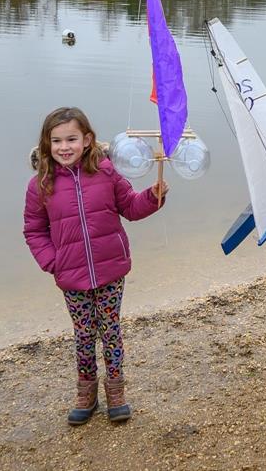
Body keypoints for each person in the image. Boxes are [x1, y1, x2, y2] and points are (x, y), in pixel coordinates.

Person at [23, 107, 168, 425]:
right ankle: (86, 394)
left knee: (111, 331)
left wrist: (152, 196)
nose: (65, 147)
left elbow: (130, 206)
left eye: (72, 139)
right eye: (57, 141)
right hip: (70, 276)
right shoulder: (40, 186)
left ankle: (116, 392)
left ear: (87, 140)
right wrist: (53, 262)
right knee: (84, 334)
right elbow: (34, 230)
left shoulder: (106, 172)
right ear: (47, 145)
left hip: (110, 270)